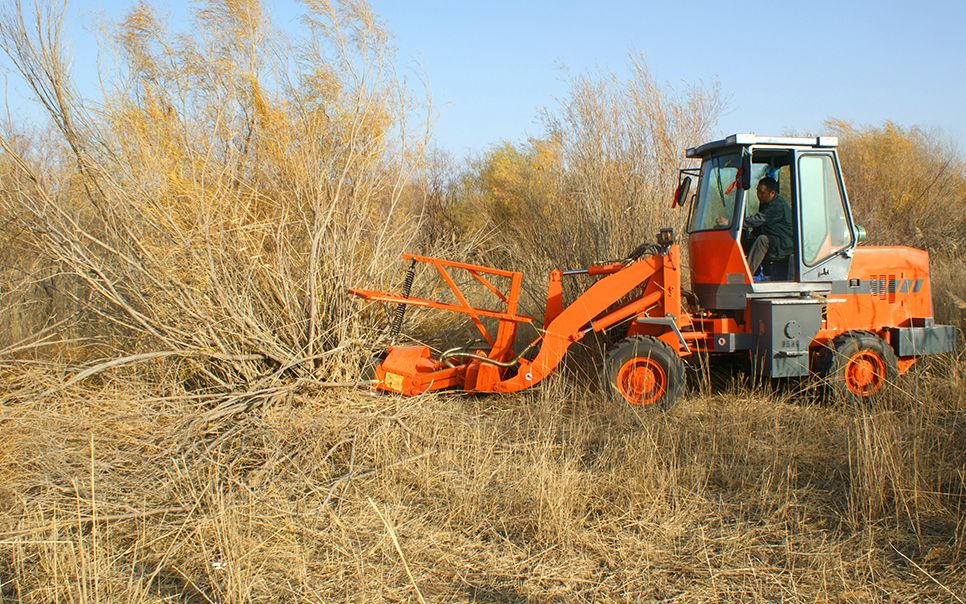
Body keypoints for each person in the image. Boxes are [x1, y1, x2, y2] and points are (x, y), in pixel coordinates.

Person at [744, 176, 793, 278]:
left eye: (762, 192)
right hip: (774, 237)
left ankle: (746, 276)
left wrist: (735, 223)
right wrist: (753, 234)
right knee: (745, 242)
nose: (759, 195)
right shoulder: (766, 202)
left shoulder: (777, 206)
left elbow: (759, 219)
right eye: (757, 191)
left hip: (784, 241)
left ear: (772, 193)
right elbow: (761, 223)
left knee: (762, 240)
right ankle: (738, 271)